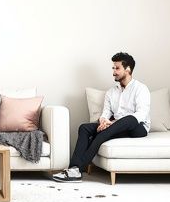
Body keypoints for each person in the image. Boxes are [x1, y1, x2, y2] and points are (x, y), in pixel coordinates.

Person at [52, 52, 150, 182]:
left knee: (126, 120)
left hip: (137, 128)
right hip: (114, 126)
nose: (114, 72)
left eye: (117, 68)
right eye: (113, 68)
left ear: (128, 69)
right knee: (84, 128)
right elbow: (106, 113)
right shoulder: (111, 92)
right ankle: (74, 167)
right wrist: (104, 120)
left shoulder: (140, 89)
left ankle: (77, 170)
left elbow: (141, 115)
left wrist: (112, 123)